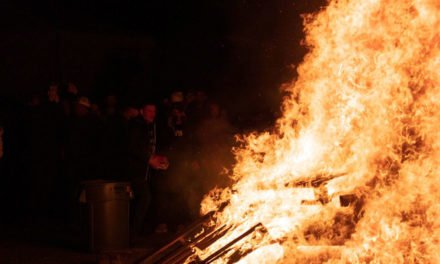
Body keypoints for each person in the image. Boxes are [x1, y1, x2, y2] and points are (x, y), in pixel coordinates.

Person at [124, 101, 169, 239]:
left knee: (149, 197)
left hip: (147, 171)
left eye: (154, 111)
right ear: (142, 111)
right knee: (144, 198)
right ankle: (131, 234)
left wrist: (162, 158)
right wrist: (149, 159)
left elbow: (154, 146)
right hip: (135, 170)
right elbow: (133, 146)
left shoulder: (152, 126)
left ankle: (140, 231)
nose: (152, 114)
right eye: (149, 111)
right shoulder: (136, 125)